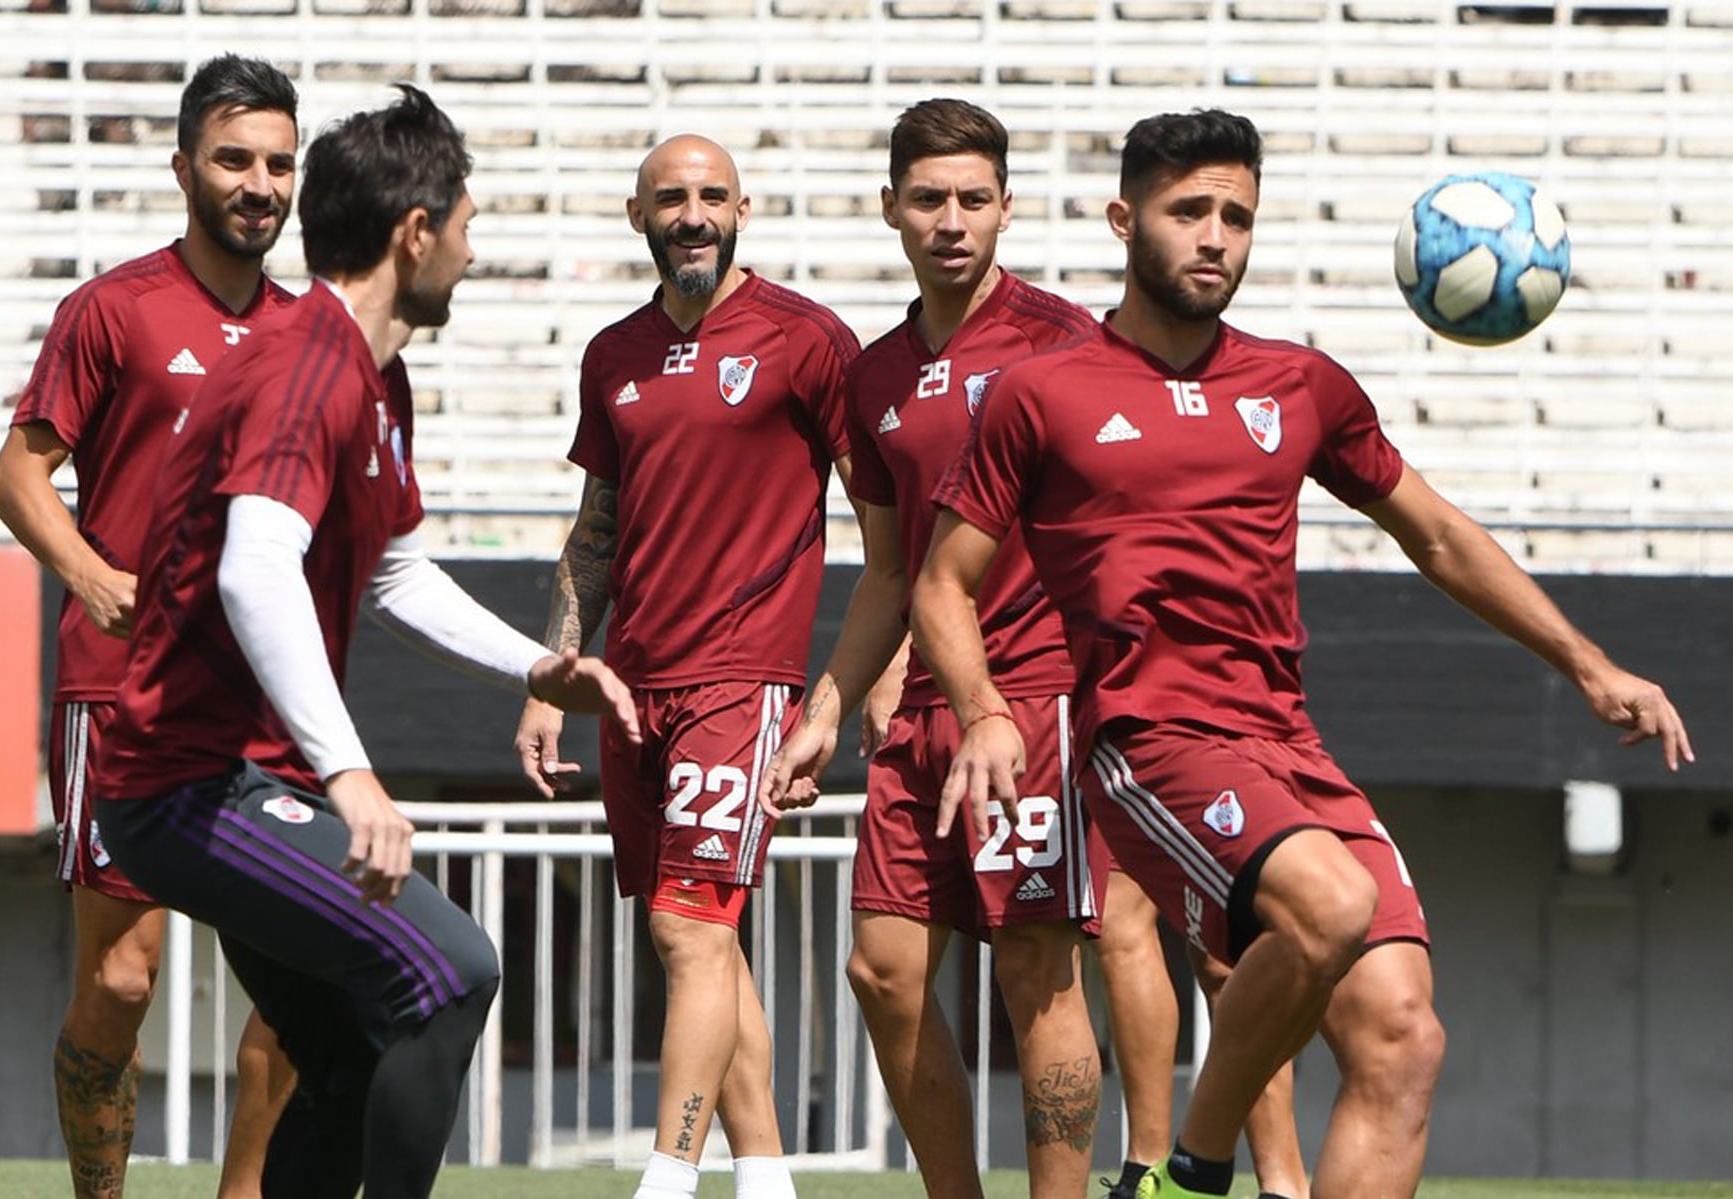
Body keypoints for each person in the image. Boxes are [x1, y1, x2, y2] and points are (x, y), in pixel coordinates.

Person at [912, 108, 1692, 1199]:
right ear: (1121, 217)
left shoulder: (1299, 385)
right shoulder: (1040, 394)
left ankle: (1195, 1157)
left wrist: (1586, 662)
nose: (1214, 237)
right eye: (1189, 212)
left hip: (1284, 741)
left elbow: (1436, 534)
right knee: (1324, 906)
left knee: (1400, 1036)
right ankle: (1189, 1165)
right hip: (1148, 736)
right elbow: (939, 583)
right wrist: (986, 708)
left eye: (1235, 215)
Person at [89, 84, 639, 1199]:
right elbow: (253, 563)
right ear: (415, 230)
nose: (473, 255)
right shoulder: (310, 363)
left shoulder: (369, 373)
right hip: (188, 784)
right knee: (451, 971)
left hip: (233, 778)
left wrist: (533, 665)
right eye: (470, 226)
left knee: (345, 1038)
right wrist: (351, 777)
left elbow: (389, 568)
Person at [758, 97, 1112, 1199]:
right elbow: (890, 569)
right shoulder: (870, 378)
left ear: (1006, 207)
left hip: (1033, 699)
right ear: (890, 211)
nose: (949, 219)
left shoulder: (1067, 345)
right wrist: (825, 702)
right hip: (918, 711)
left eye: (970, 198)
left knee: (1034, 970)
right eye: (926, 199)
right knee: (883, 967)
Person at [514, 134, 860, 1199]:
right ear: (639, 215)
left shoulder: (808, 340)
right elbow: (595, 529)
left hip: (741, 675)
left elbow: (886, 525)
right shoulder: (610, 353)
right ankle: (765, 1176)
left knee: (686, 921)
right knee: (701, 935)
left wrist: (849, 690)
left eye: (712, 195)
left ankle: (667, 1177)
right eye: (673, 198)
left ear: (743, 206)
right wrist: (551, 673)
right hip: (632, 683)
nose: (694, 213)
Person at [0, 53, 301, 1199]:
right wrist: (89, 572)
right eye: (233, 159)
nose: (258, 183)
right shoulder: (111, 309)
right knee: (122, 982)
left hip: (264, 702)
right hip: (121, 690)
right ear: (183, 169)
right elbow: (19, 477)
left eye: (277, 163)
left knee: (294, 976)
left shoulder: (313, 332)